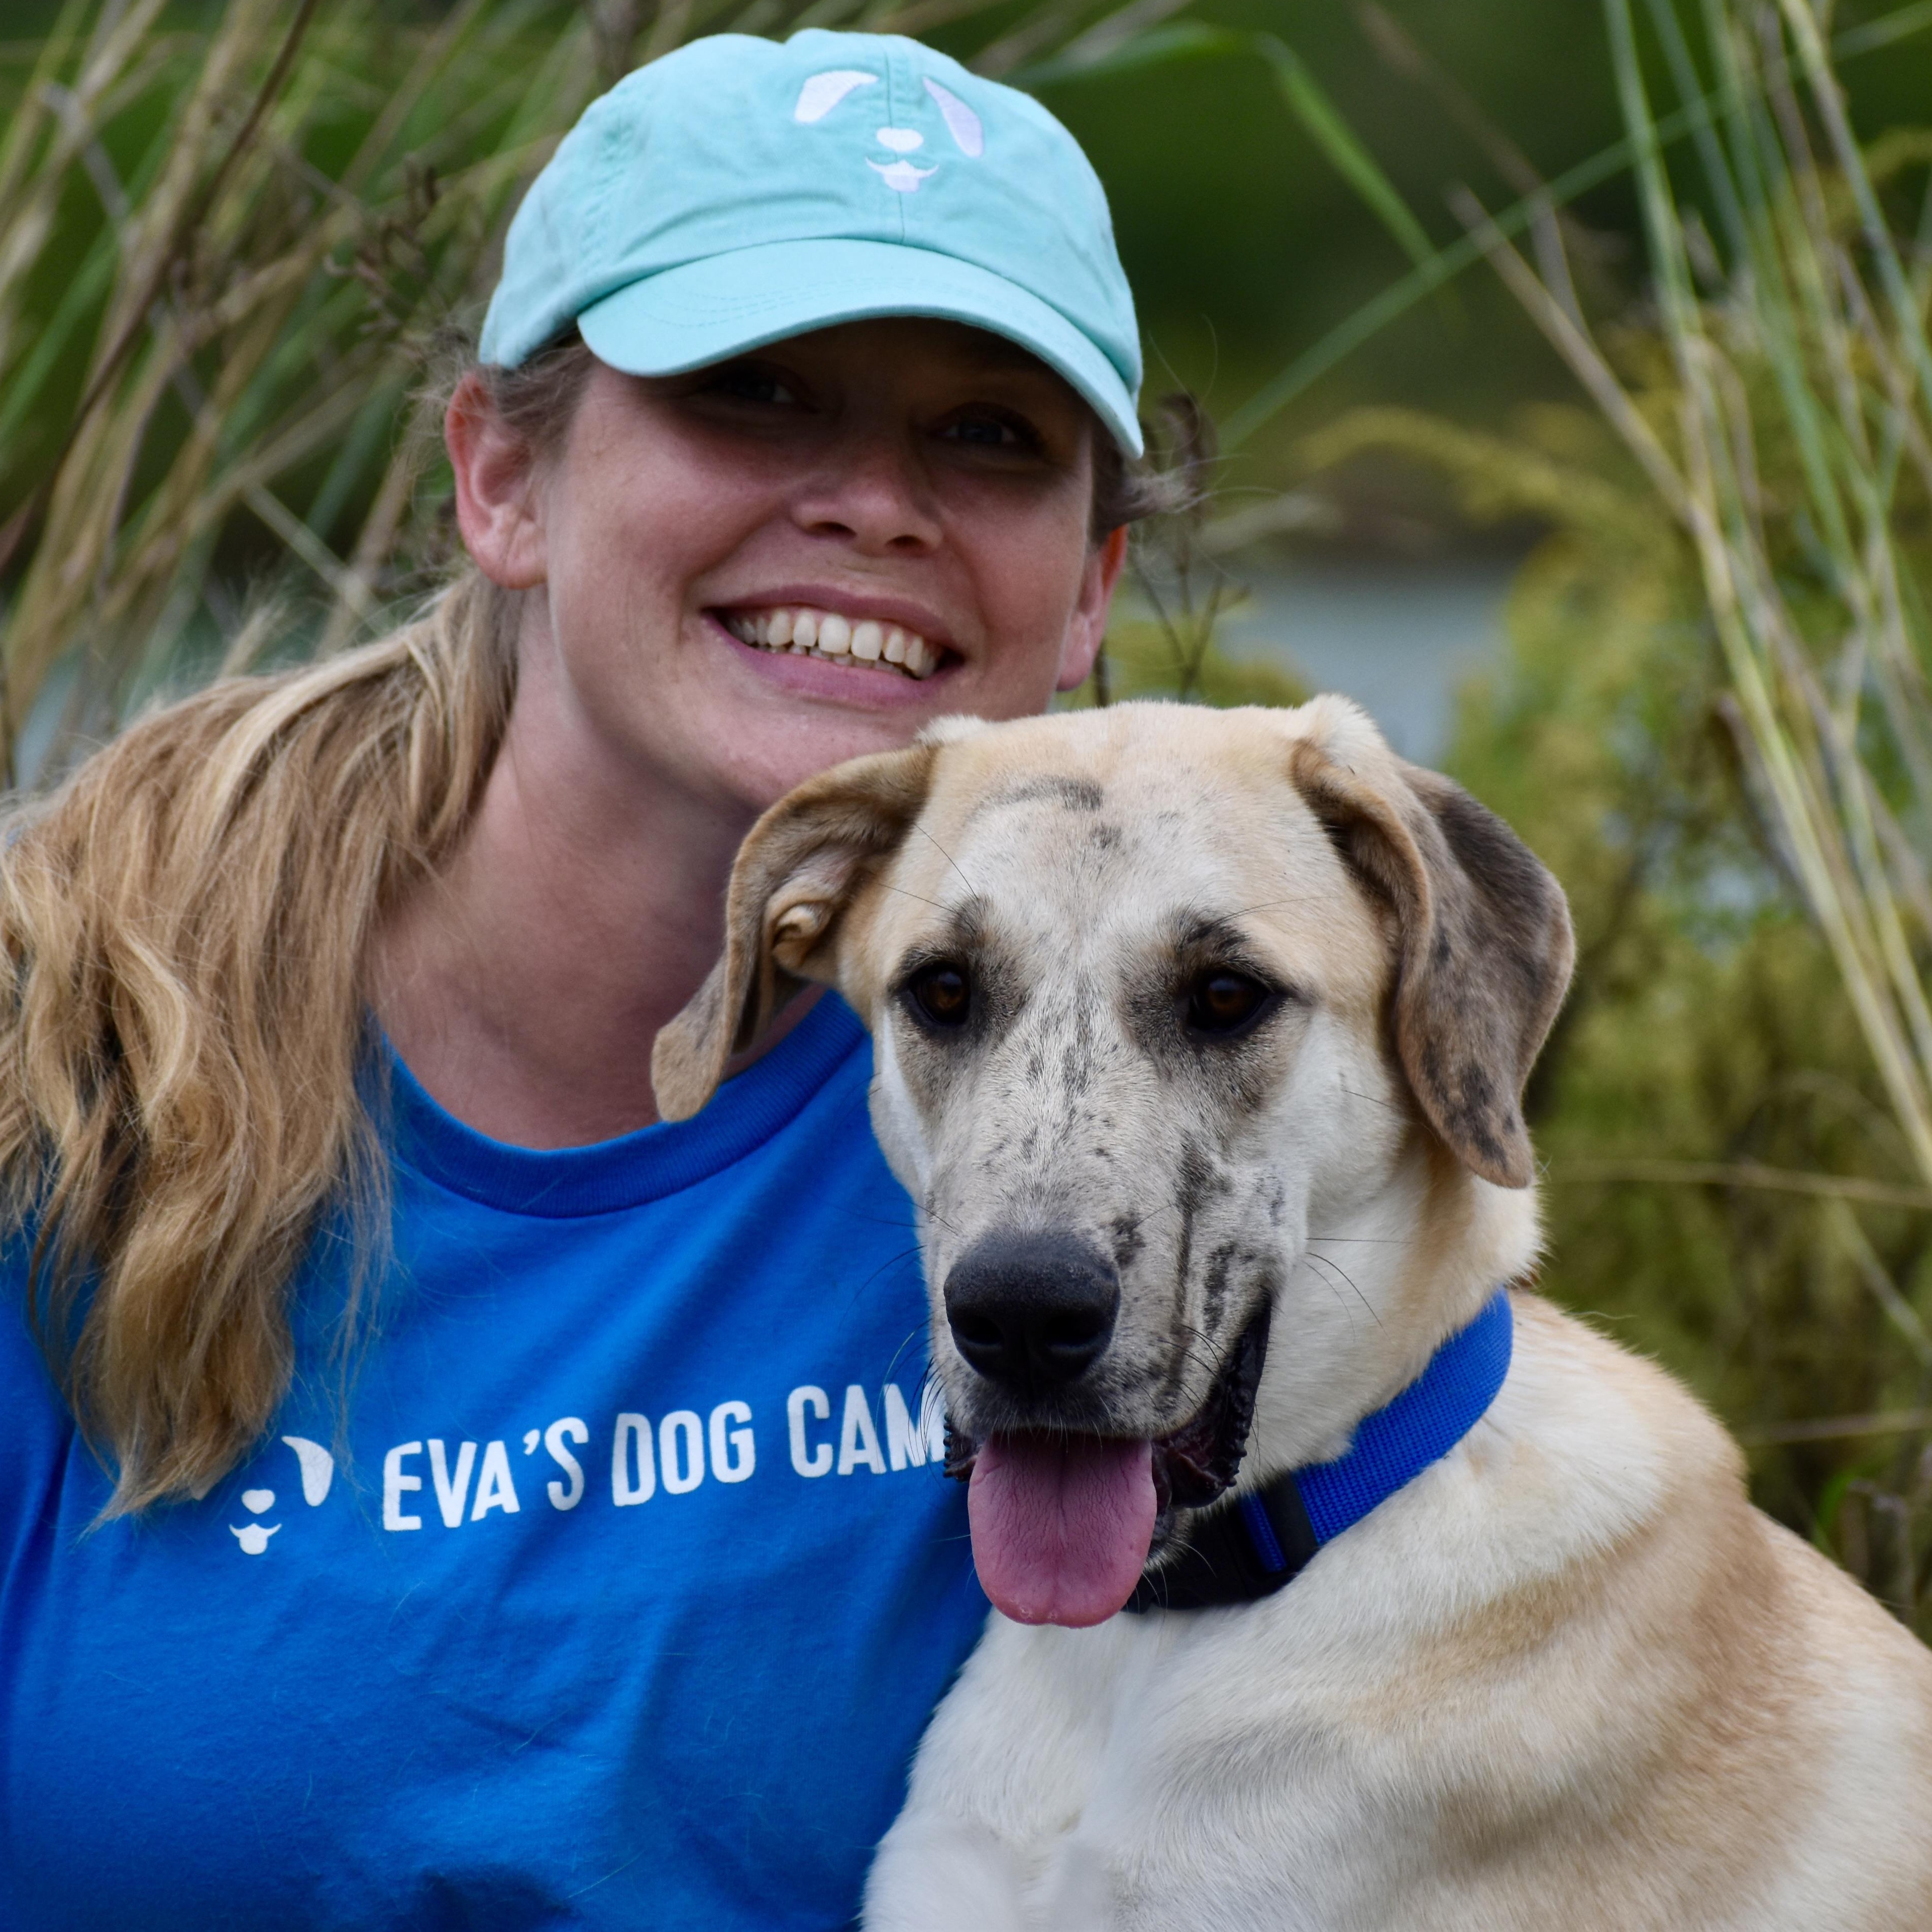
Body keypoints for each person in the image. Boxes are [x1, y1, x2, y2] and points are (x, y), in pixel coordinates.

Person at [0, 27, 1165, 1929]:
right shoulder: (63, 1064)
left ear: (1094, 579)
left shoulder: (1205, 1089)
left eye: (988, 435)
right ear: (500, 479)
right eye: (755, 391)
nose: (875, 501)